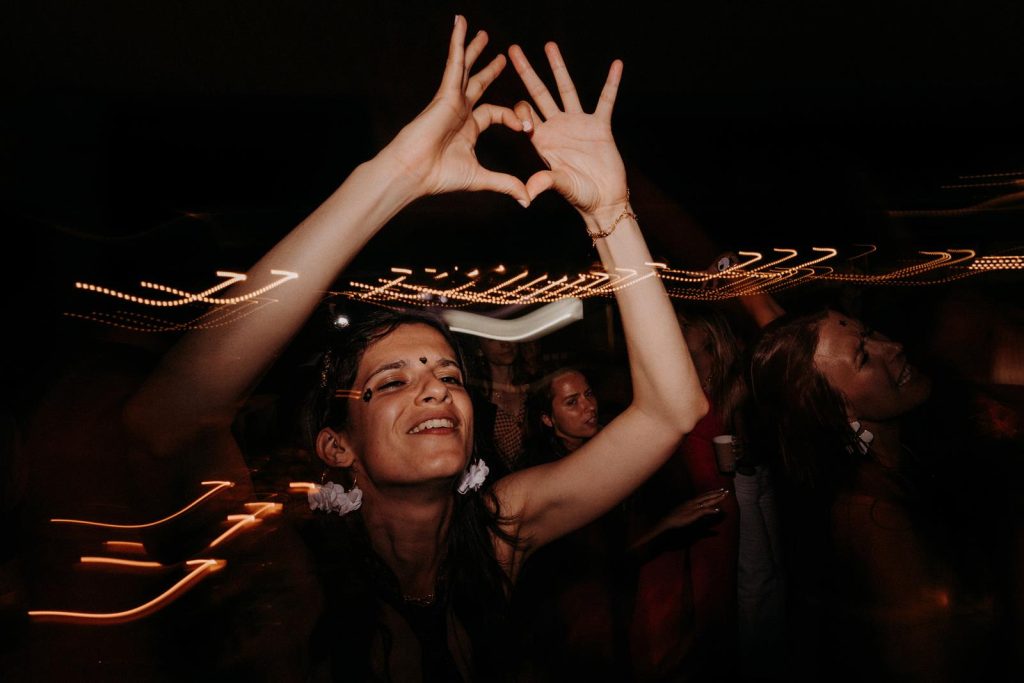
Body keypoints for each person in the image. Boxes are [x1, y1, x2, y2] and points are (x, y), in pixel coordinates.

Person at [121, 18, 707, 680]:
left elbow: (671, 410)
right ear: (337, 444)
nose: (434, 388)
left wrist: (611, 213)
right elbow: (164, 420)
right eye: (392, 381)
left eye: (448, 374)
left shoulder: (498, 532)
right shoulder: (296, 565)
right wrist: (394, 176)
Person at [749, 309, 993, 681]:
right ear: (835, 410)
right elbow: (926, 663)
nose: (893, 346)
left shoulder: (902, 463)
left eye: (871, 332)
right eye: (863, 356)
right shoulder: (874, 514)